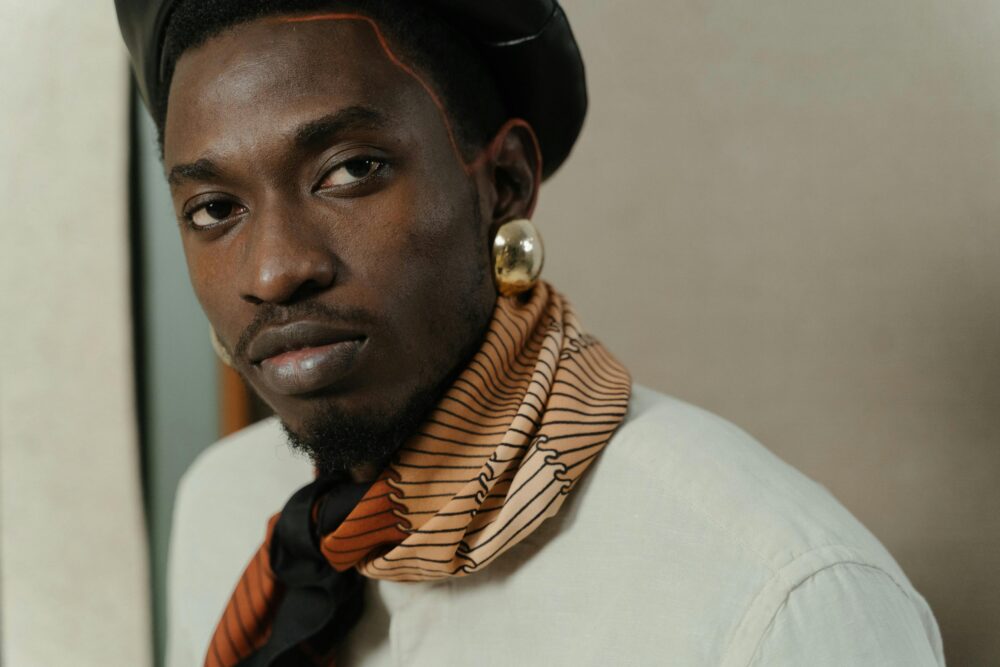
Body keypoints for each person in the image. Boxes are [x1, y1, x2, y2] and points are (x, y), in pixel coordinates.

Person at [115, 1, 945, 665]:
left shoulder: (776, 594)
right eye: (214, 209)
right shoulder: (221, 505)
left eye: (351, 170)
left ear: (505, 183)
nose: (273, 270)